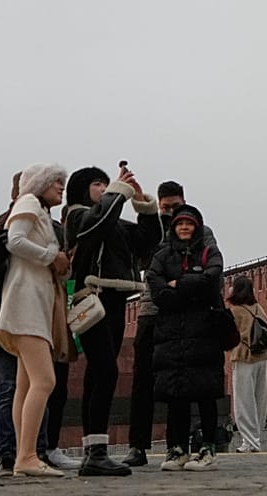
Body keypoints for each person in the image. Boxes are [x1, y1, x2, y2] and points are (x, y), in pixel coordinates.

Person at [61, 165, 161, 476]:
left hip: (115, 300)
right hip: (91, 299)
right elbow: (95, 226)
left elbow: (147, 240)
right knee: (105, 370)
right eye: (97, 184)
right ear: (81, 189)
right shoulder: (77, 215)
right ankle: (97, 451)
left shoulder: (112, 220)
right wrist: (118, 192)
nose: (104, 188)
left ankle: (95, 450)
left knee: (99, 373)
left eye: (107, 184)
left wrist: (143, 204)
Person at [123, 180, 211, 466]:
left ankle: (178, 444)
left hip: (185, 315)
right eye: (166, 208)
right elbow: (143, 267)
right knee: (142, 381)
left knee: (181, 382)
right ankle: (137, 446)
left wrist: (179, 282)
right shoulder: (152, 230)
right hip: (151, 311)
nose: (172, 213)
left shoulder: (201, 231)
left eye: (175, 207)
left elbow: (210, 268)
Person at [0, 162, 69, 478]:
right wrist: (52, 256)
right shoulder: (28, 203)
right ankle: (26, 455)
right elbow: (15, 241)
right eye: (56, 183)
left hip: (32, 305)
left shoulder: (38, 209)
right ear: (41, 184)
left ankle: (25, 455)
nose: (61, 189)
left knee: (25, 386)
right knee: (45, 380)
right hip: (26, 306)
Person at [148, 203, 225, 471]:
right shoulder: (163, 254)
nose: (184, 227)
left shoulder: (208, 251)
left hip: (203, 332)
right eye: (180, 223)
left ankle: (207, 449)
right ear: (174, 227)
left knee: (205, 392)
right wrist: (191, 286)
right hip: (172, 334)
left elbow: (212, 279)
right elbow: (155, 285)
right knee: (176, 393)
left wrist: (178, 284)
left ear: (197, 227)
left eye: (189, 224)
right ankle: (176, 448)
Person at [226, 274, 267, 454]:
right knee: (260, 398)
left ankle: (250, 441)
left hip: (244, 357)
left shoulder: (235, 311)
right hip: (262, 358)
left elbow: (229, 335)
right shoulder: (258, 308)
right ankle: (256, 438)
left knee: (244, 401)